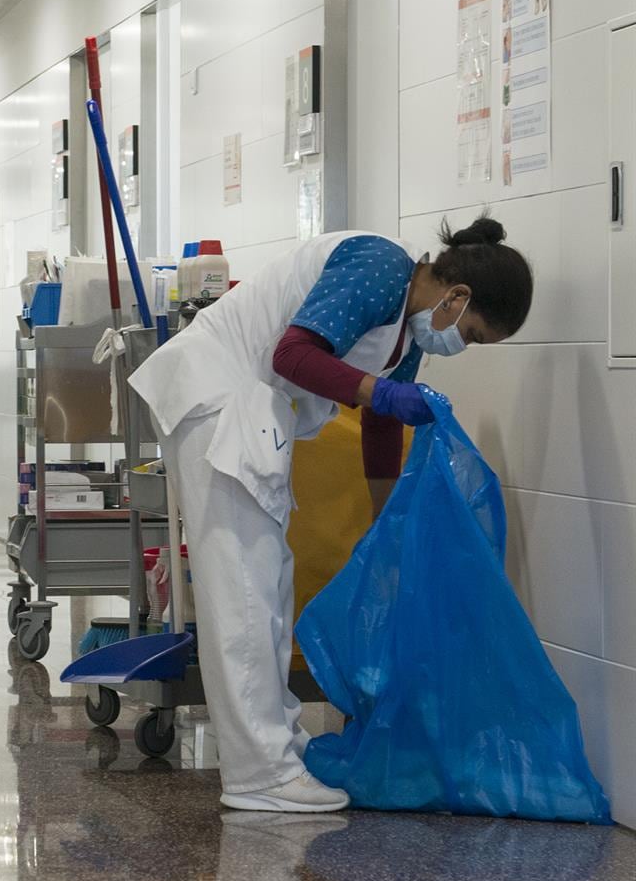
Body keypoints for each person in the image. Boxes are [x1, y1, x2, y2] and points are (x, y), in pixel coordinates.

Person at [128, 218, 532, 814]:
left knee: (268, 582)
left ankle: (276, 744)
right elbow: (292, 355)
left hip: (245, 408)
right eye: (470, 334)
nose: (460, 345)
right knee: (244, 588)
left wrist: (383, 520)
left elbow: (382, 421)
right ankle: (258, 773)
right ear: (457, 297)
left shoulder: (410, 331)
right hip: (220, 396)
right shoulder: (379, 267)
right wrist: (381, 391)